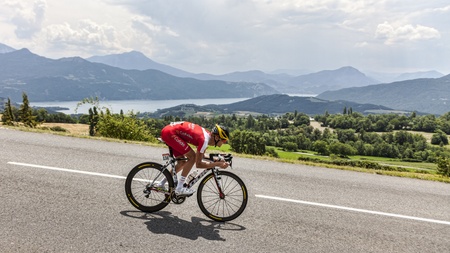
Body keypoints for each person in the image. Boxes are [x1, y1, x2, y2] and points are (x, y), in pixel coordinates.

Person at [159, 121, 230, 196]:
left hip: (170, 131)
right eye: (224, 140)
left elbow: (201, 156)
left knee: (182, 163)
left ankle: (161, 183)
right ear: (217, 137)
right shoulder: (204, 140)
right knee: (192, 157)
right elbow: (198, 164)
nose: (224, 143)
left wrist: (217, 159)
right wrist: (218, 164)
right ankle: (179, 188)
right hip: (170, 133)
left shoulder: (206, 136)